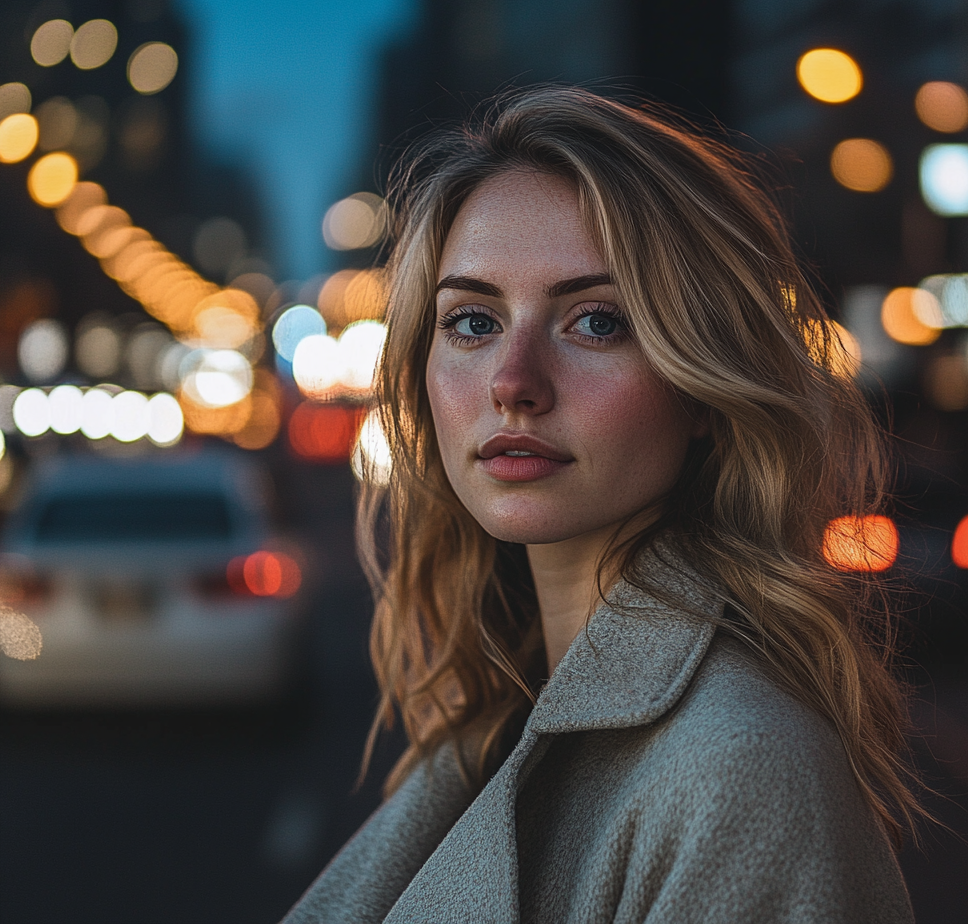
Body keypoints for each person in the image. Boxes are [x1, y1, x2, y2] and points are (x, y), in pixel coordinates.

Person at [283, 86, 920, 923]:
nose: (513, 383)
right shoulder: (505, 712)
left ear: (701, 385)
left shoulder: (740, 771)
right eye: (473, 321)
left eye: (596, 322)